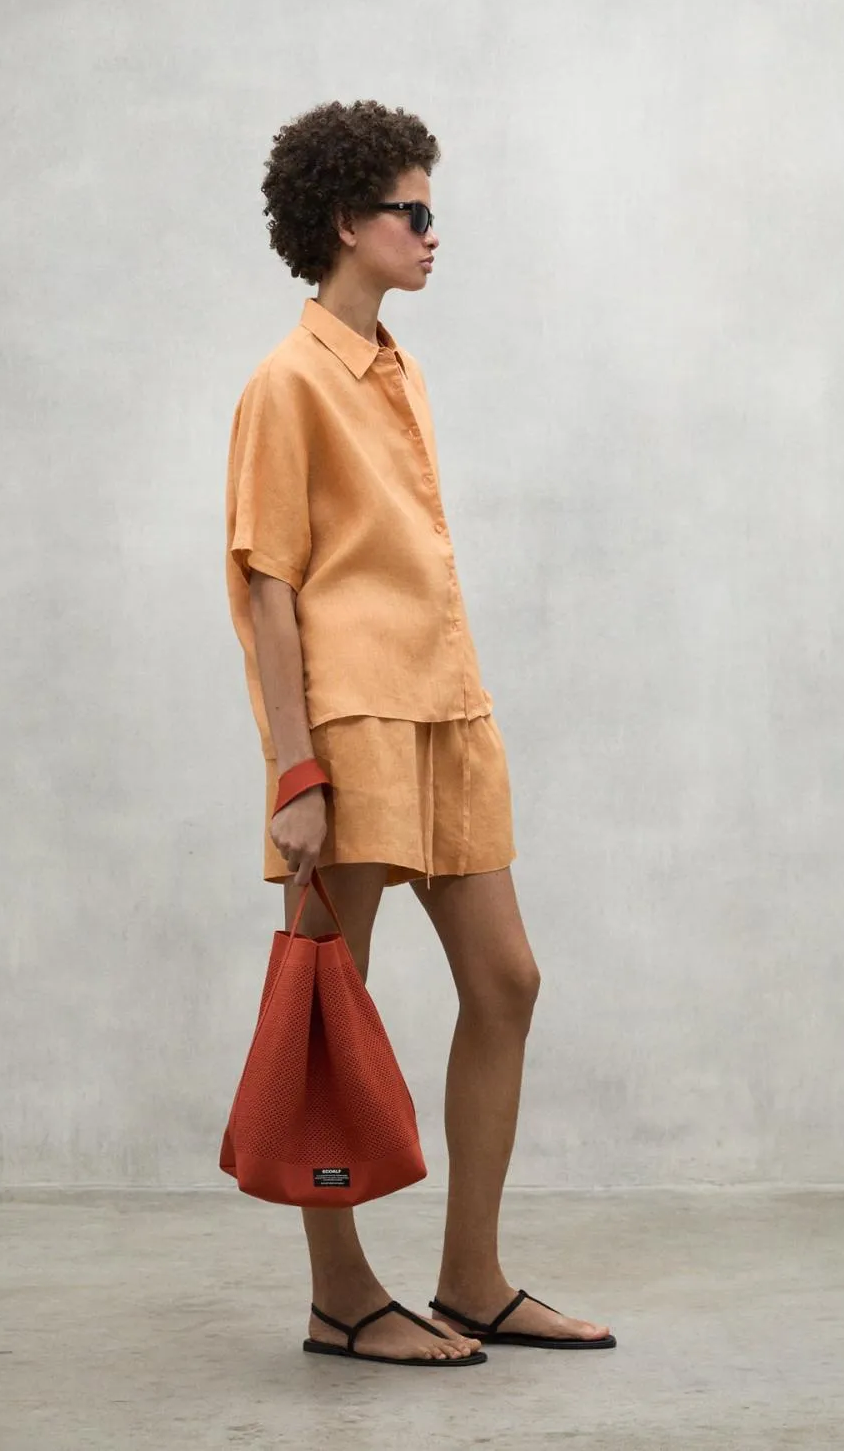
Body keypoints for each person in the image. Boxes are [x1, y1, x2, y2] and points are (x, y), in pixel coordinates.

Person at [225, 98, 615, 1368]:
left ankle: (471, 1278)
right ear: (348, 221)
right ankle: (342, 1298)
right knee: (330, 1005)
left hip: (447, 709)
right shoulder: (287, 384)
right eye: (412, 212)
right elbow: (268, 585)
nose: (432, 233)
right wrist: (294, 768)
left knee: (506, 981)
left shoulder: (397, 370)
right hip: (349, 726)